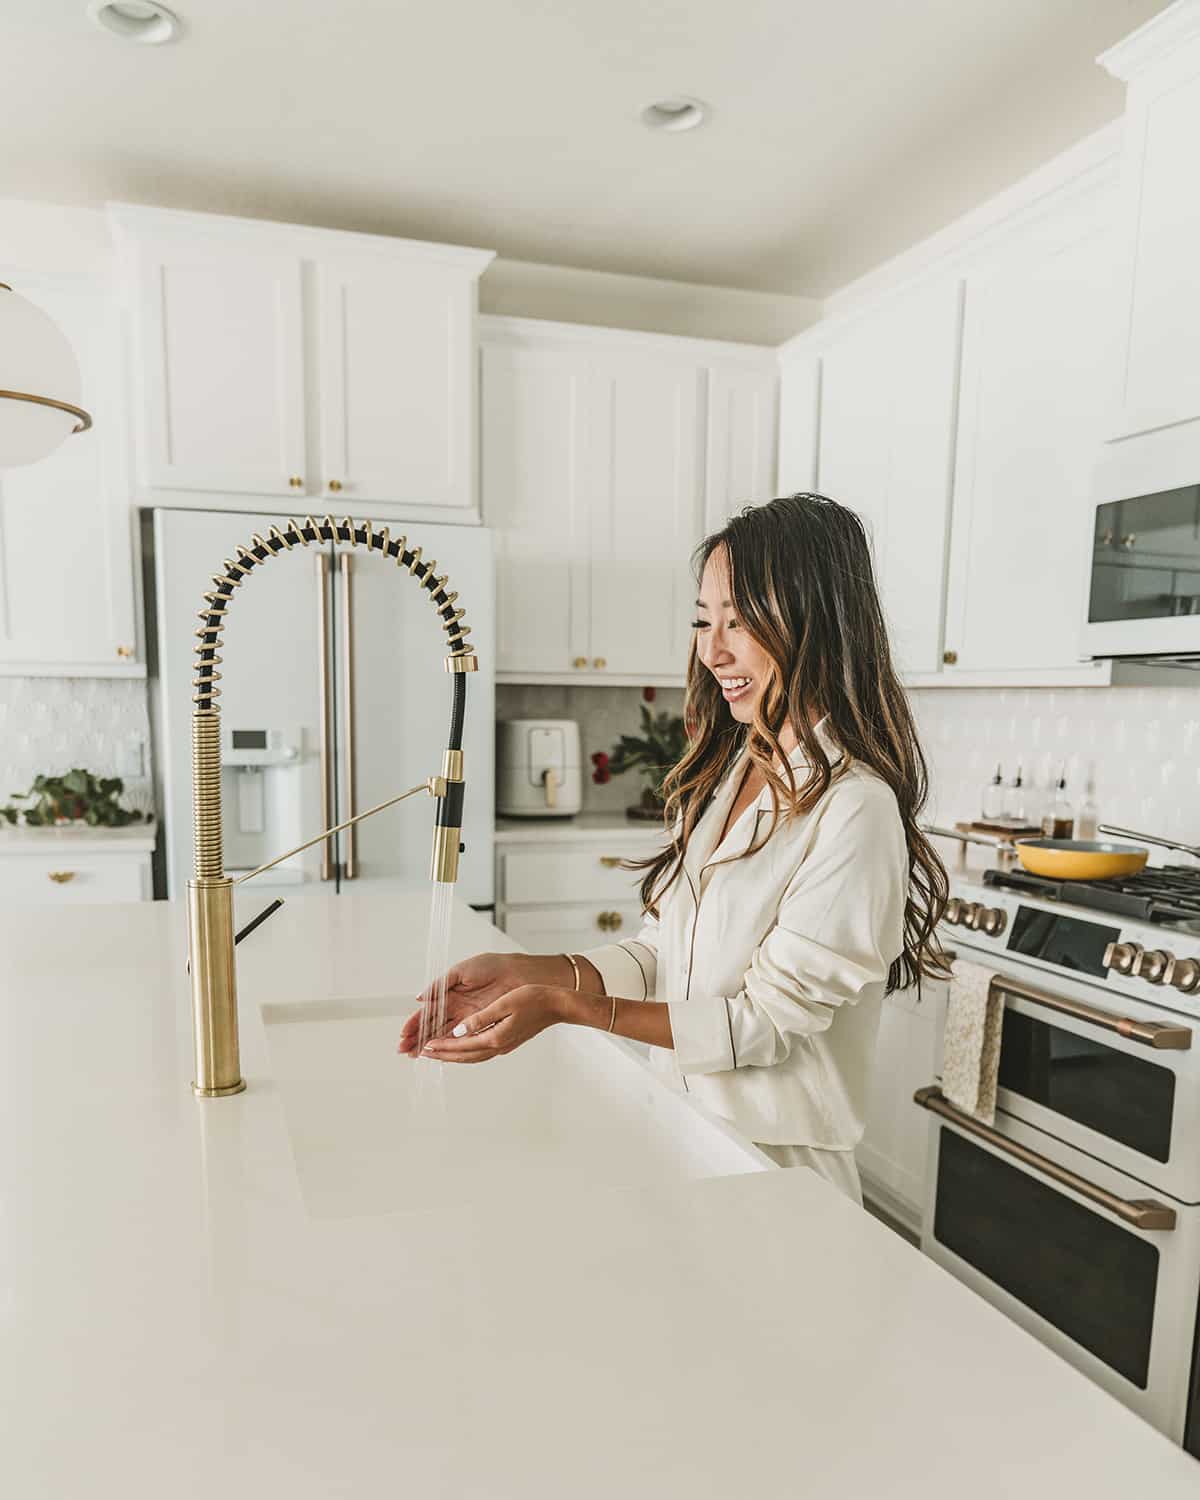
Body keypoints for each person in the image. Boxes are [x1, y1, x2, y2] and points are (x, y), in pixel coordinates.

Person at [398, 493, 950, 1204]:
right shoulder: (731, 776)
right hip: (681, 1134)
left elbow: (767, 1023)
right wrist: (525, 971)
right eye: (703, 621)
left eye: (741, 622)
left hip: (777, 1178)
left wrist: (569, 1009)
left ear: (816, 624)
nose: (712, 649)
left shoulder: (855, 809)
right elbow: (665, 958)